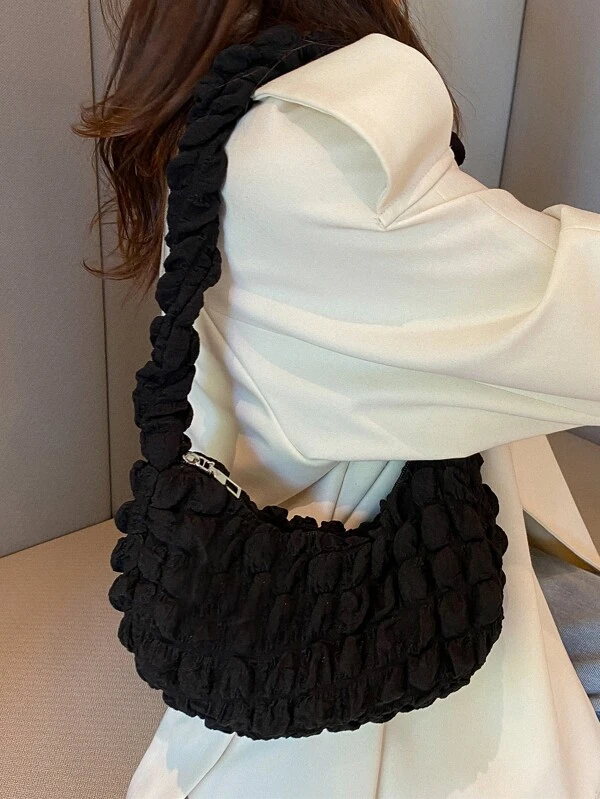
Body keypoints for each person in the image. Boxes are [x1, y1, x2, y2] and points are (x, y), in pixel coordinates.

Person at [74, 1, 600, 796]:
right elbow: (566, 318)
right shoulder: (309, 149)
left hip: (354, 570)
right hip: (371, 674)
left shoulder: (230, 109)